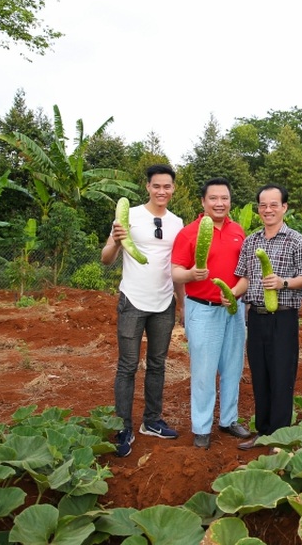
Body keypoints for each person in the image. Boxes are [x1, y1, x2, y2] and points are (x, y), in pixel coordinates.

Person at [101, 164, 184, 458]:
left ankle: (152, 421)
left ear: (173, 189)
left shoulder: (178, 222)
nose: (162, 191)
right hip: (133, 300)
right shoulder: (129, 216)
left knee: (158, 364)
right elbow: (106, 258)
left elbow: (177, 266)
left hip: (164, 303)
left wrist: (182, 302)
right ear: (147, 186)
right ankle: (123, 426)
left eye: (167, 187)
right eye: (156, 186)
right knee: (128, 365)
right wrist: (116, 238)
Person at [171, 178, 251, 449]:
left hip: (234, 309)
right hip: (202, 309)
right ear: (203, 202)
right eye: (214, 198)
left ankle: (229, 420)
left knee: (233, 367)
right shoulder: (189, 233)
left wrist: (235, 294)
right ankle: (202, 427)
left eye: (224, 198)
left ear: (230, 201)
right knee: (203, 371)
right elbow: (175, 272)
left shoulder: (239, 231)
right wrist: (192, 274)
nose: (220, 203)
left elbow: (246, 274)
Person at [234, 184, 302, 450]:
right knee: (260, 375)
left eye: (273, 205)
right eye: (263, 205)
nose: (267, 210)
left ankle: (279, 437)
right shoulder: (251, 241)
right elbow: (245, 278)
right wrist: (231, 294)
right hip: (255, 316)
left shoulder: (297, 240)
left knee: (282, 375)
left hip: (283, 317)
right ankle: (263, 431)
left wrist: (283, 283)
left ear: (284, 207)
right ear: (258, 209)